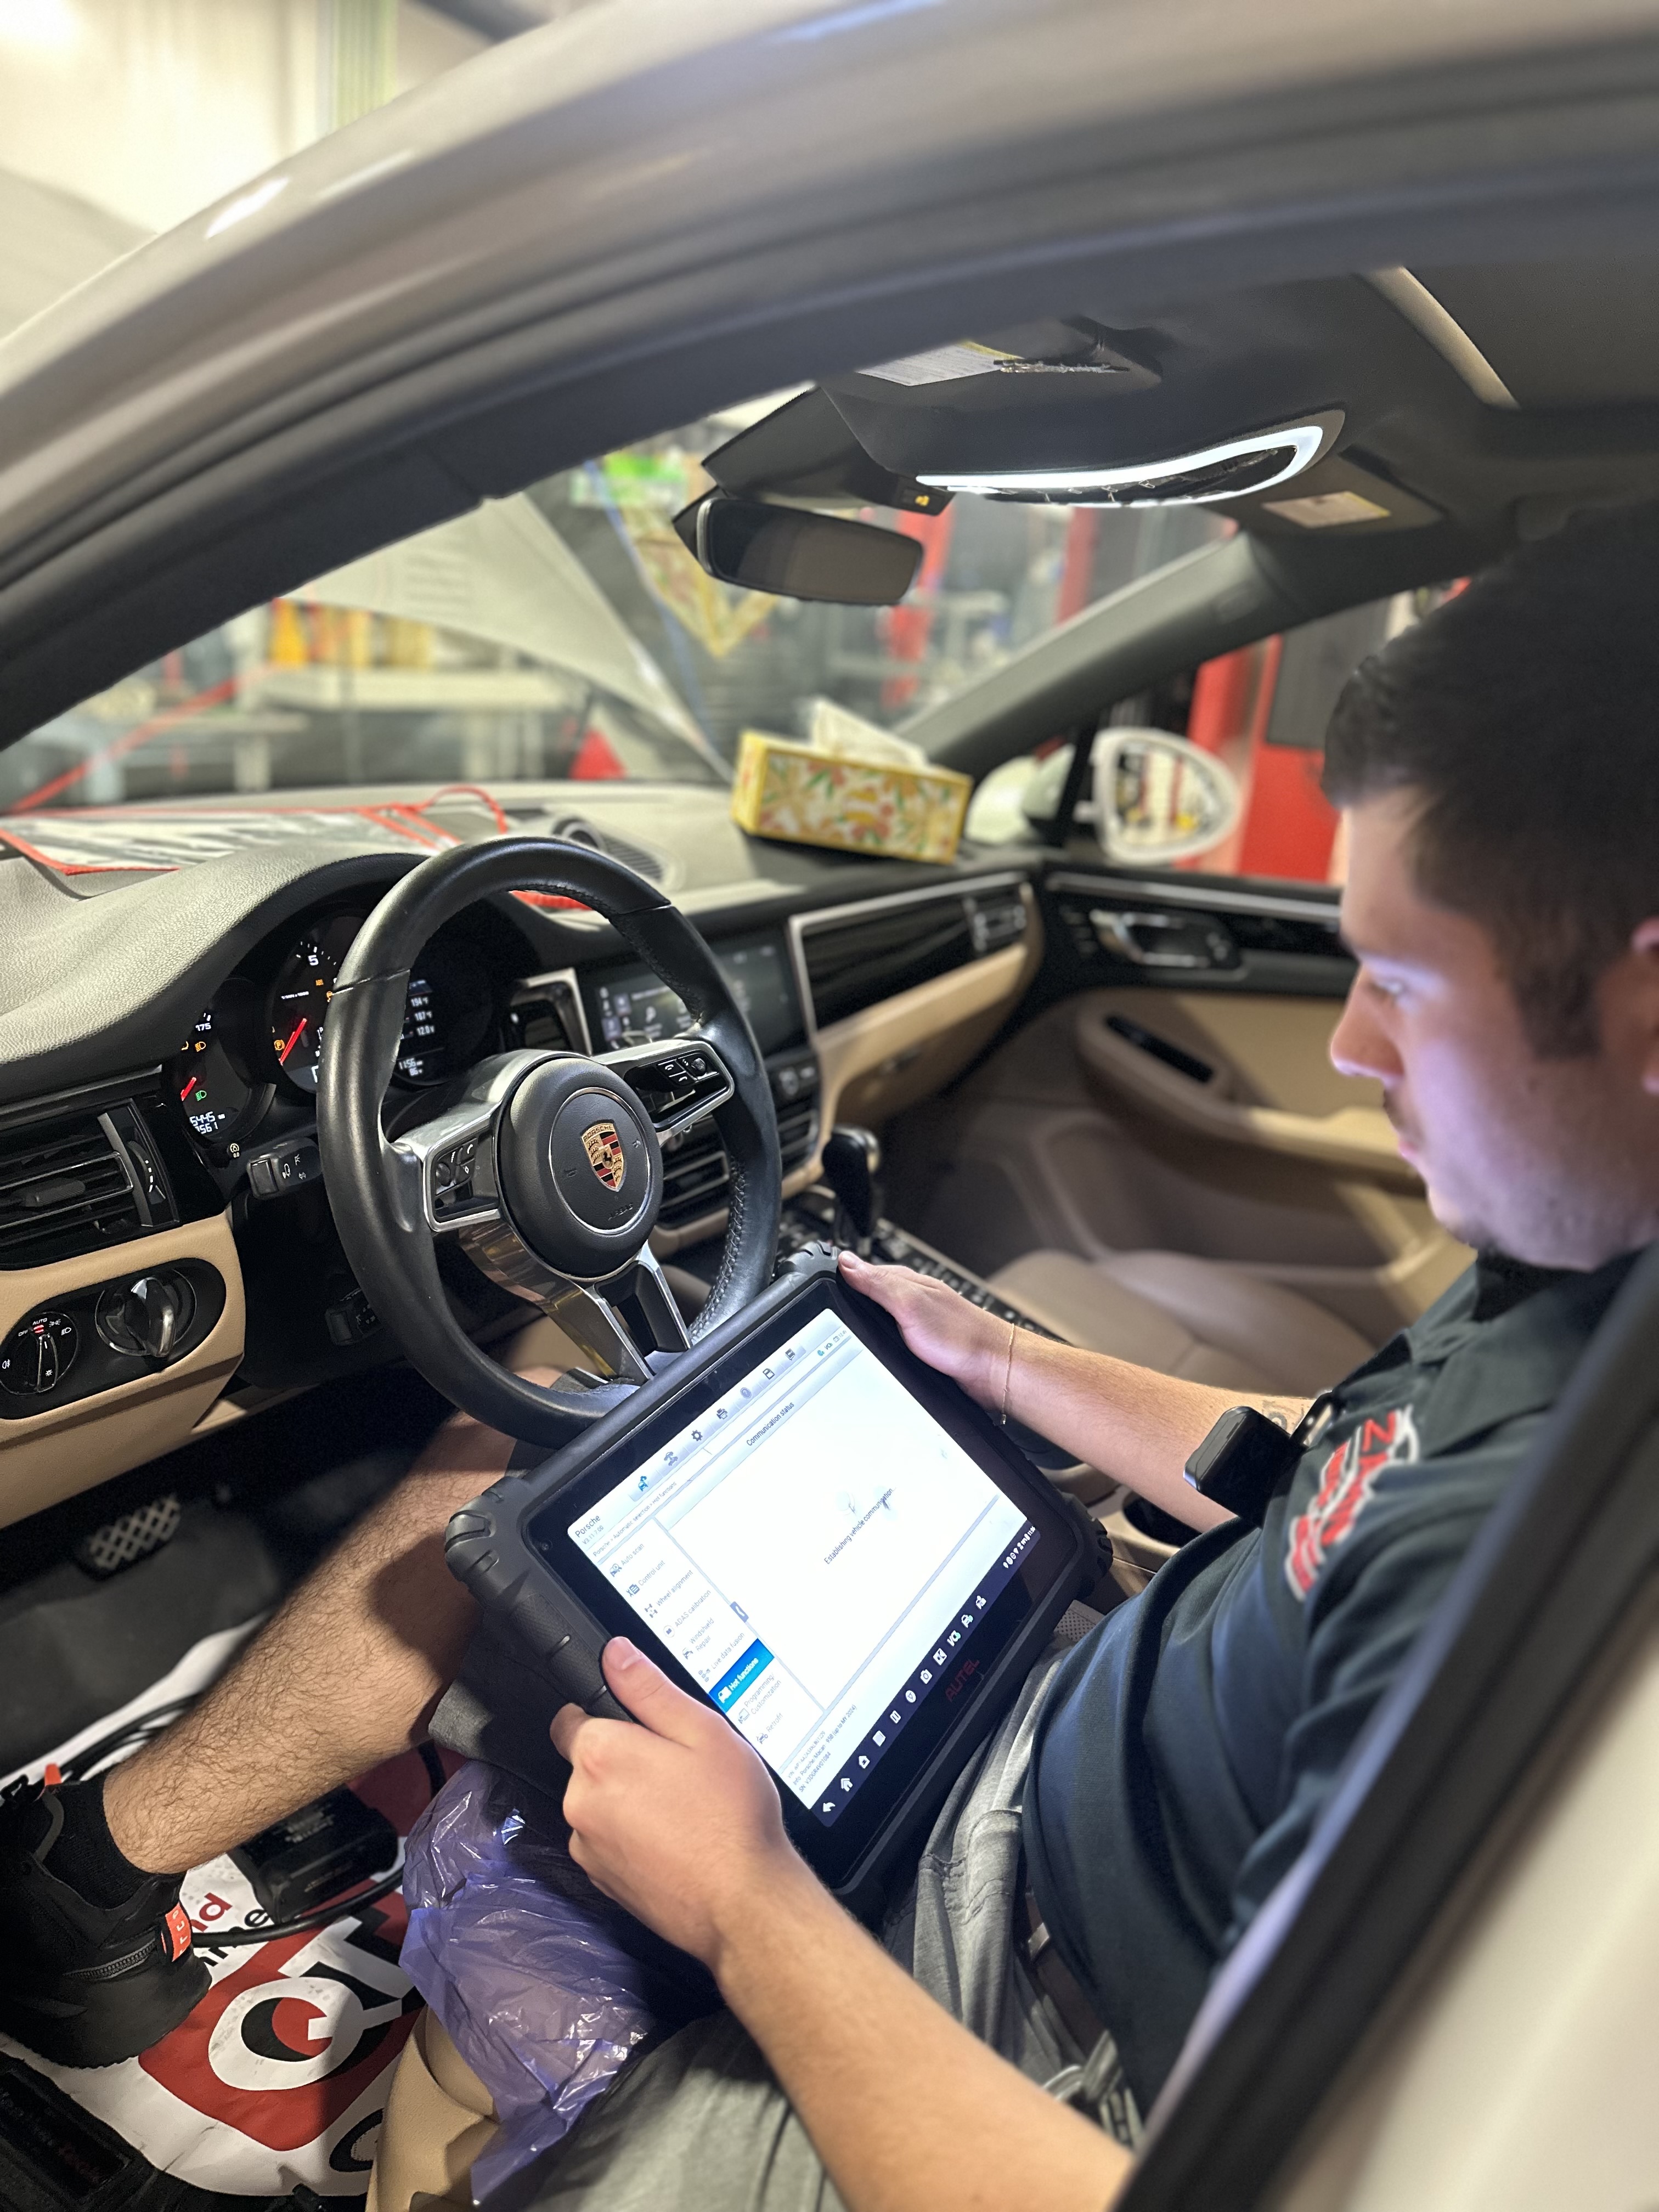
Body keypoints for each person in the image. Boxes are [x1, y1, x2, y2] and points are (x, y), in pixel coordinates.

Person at [5, 506, 1659, 2210]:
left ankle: (93, 1899)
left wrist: (749, 1904)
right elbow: (1346, 1461)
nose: (1350, 1043)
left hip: (1052, 2050)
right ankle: (102, 1868)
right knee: (569, 1428)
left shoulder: (1590, 1666)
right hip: (1059, 1735)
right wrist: (1007, 1366)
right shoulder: (1582, 1280)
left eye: (1398, 981)